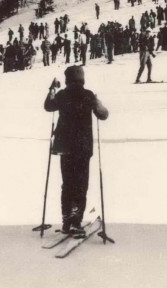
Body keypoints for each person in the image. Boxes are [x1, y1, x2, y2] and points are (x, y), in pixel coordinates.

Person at [44, 65, 109, 234]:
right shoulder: (87, 95)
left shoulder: (62, 94)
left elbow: (48, 106)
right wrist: (98, 101)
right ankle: (75, 221)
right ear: (81, 78)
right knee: (80, 184)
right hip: (83, 146)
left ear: (67, 79)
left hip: (65, 146)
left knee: (67, 183)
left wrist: (51, 90)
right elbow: (103, 115)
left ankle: (67, 221)